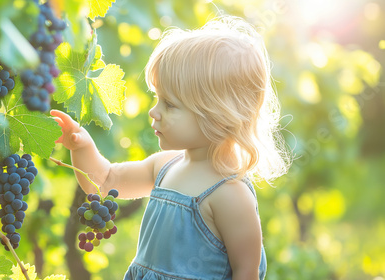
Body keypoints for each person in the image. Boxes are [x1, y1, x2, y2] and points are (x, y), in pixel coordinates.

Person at [51, 15, 290, 280]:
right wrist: (80, 145)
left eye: (170, 104)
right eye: (157, 98)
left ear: (218, 115)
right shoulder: (164, 166)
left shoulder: (230, 195)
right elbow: (106, 180)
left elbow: (246, 273)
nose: (154, 111)